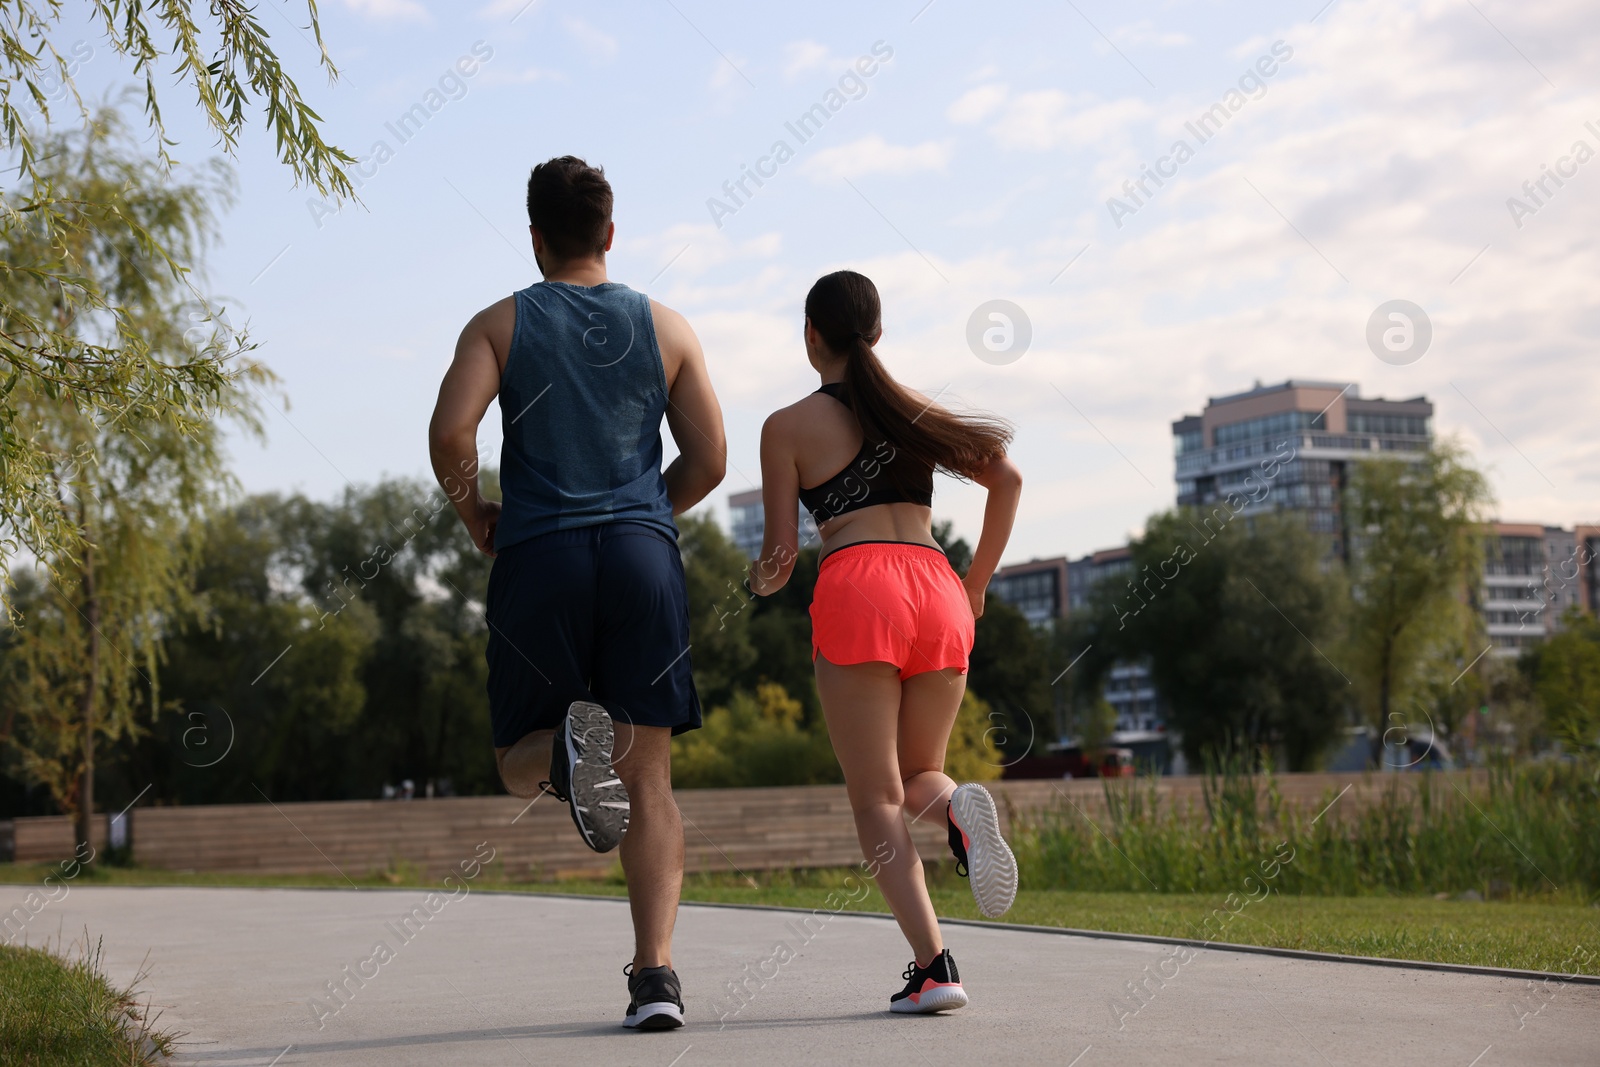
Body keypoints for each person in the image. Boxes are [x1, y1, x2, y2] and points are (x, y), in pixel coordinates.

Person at [428, 156, 726, 1030]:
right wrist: (642, 514)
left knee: (515, 756)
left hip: (540, 556)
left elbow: (452, 431)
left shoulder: (498, 324)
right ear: (608, 233)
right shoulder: (666, 326)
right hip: (642, 559)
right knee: (651, 780)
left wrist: (475, 513)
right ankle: (656, 980)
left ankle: (560, 755)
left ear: (534, 238)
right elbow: (710, 458)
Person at [748, 270, 1024, 1014]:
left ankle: (934, 967)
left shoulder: (785, 426)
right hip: (937, 586)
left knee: (875, 796)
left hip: (859, 584)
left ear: (812, 336)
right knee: (919, 774)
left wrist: (758, 583)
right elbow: (1008, 479)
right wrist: (977, 584)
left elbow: (781, 560)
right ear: (877, 333)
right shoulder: (916, 413)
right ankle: (961, 811)